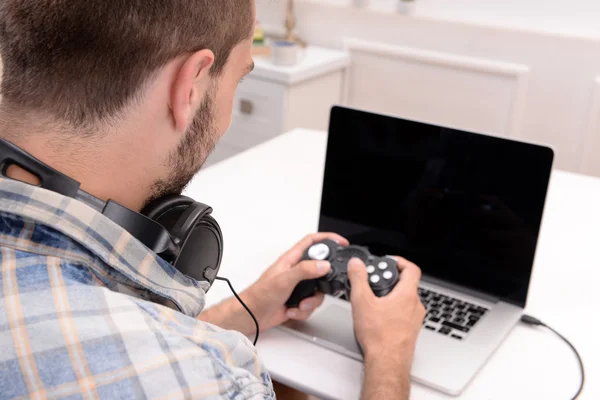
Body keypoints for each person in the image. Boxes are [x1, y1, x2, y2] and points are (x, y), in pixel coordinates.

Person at [0, 0, 425, 399]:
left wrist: (248, 308)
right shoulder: (198, 381)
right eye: (238, 78)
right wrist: (389, 354)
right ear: (190, 85)